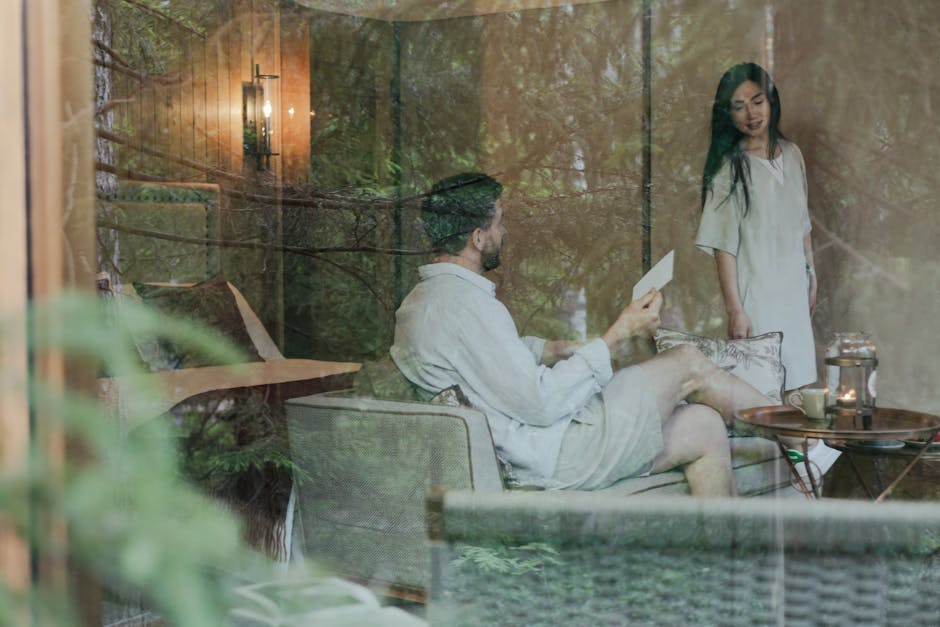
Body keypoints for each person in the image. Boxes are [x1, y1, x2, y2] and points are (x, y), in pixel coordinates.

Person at [390, 172, 772, 496]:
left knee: (704, 426)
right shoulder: (468, 307)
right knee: (687, 362)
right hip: (555, 455)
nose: (504, 231)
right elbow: (541, 403)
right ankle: (794, 432)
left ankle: (725, 560)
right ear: (477, 237)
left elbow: (486, 359)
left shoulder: (423, 303)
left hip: (533, 452)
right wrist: (618, 334)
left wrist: (558, 349)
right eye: (499, 222)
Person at [695, 62, 818, 391]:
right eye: (739, 106)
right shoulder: (729, 168)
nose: (751, 113)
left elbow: (802, 224)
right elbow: (723, 247)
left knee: (799, 389)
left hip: (794, 293)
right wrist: (736, 310)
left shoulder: (793, 154)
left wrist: (812, 274)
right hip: (757, 299)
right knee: (762, 393)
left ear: (771, 101)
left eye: (757, 101)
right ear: (729, 114)